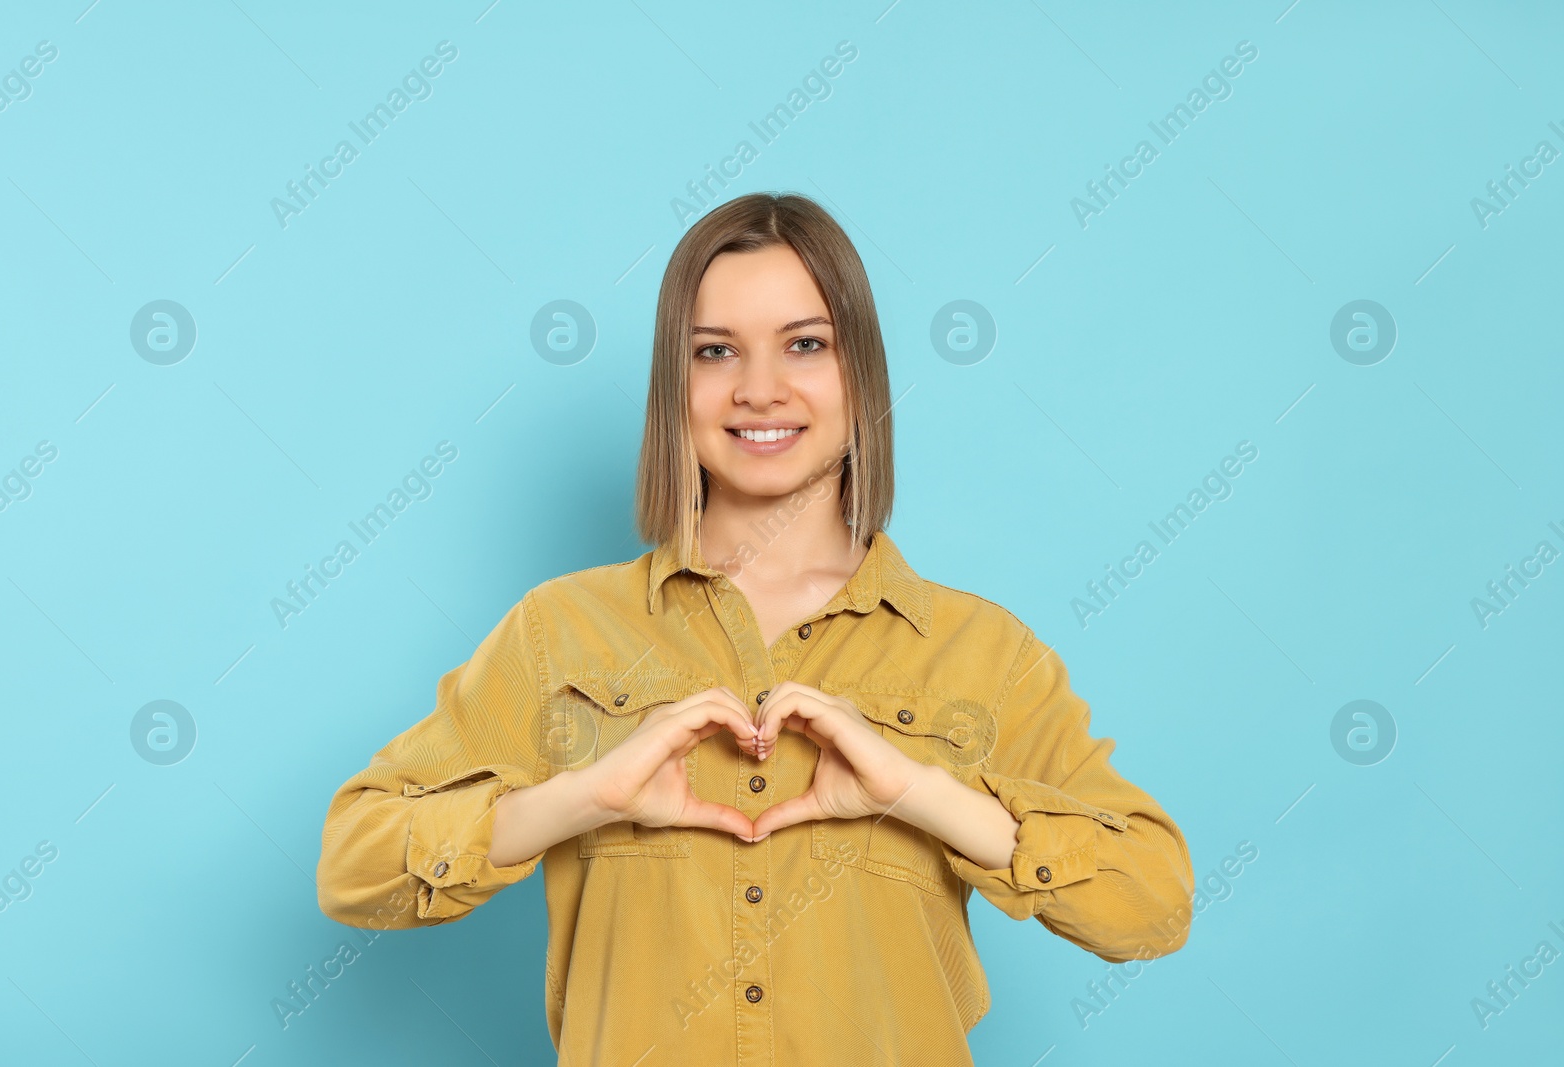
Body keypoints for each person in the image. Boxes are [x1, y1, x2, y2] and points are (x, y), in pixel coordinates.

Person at [316, 192, 1194, 1064]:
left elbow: (1152, 907)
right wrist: (586, 796)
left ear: (862, 376)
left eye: (806, 344)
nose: (759, 388)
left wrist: (919, 792)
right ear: (677, 385)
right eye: (715, 351)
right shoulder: (560, 633)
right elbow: (353, 868)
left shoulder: (983, 654)